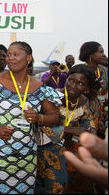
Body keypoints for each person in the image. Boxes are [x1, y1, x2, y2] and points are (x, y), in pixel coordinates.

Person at [0, 41, 62, 194]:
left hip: (27, 152)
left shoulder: (39, 87)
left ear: (28, 58)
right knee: (1, 189)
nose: (10, 58)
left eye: (15, 54)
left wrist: (39, 117)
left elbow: (54, 117)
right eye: (8, 55)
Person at [35, 64, 101, 194]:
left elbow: (90, 125)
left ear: (87, 88)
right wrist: (71, 130)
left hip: (69, 145)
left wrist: (85, 133)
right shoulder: (53, 97)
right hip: (46, 146)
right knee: (57, 185)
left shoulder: (84, 101)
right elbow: (43, 126)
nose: (73, 86)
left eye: (80, 83)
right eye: (71, 80)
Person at [79, 41, 108, 139]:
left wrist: (105, 110)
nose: (104, 55)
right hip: (83, 114)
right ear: (90, 55)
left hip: (102, 113)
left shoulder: (105, 71)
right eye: (101, 52)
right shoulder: (81, 71)